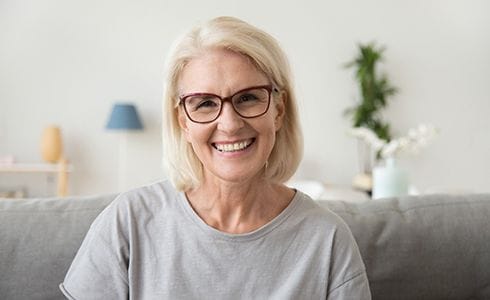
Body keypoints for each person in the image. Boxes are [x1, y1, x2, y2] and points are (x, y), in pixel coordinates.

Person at [60, 16, 371, 299]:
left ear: (278, 110)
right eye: (205, 103)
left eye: (248, 98)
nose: (230, 124)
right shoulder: (128, 222)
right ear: (183, 120)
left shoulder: (327, 239)